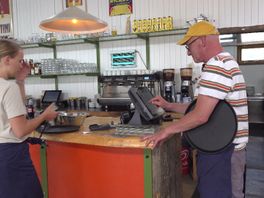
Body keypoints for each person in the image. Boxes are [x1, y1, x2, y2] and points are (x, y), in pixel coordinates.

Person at [142, 21, 248, 198]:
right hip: (221, 149)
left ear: (203, 41)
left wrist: (166, 131)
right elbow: (202, 108)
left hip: (224, 153)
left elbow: (200, 116)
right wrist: (169, 106)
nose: (188, 51)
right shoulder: (223, 62)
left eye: (189, 45)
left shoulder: (217, 66)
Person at [0, 39, 58, 198]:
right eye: (19, 61)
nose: (21, 65)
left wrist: (20, 81)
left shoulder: (8, 86)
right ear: (7, 60)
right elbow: (20, 130)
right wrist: (44, 115)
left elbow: (15, 108)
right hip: (10, 157)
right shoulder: (7, 87)